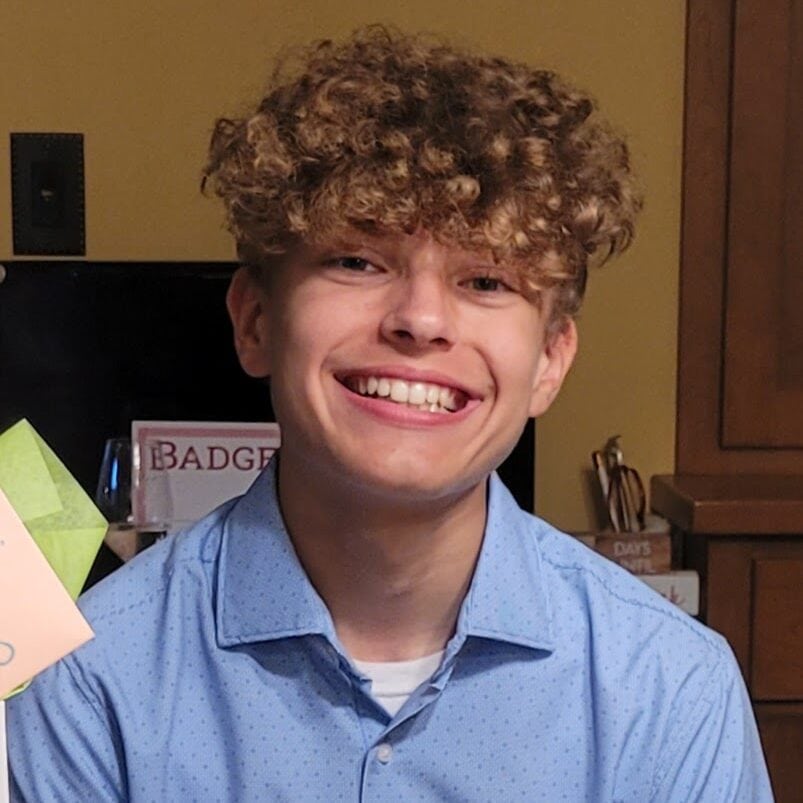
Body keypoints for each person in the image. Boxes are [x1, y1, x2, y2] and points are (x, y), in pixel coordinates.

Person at [7, 26, 772, 801]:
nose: (420, 320)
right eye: (357, 260)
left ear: (549, 360)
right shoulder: (90, 684)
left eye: (485, 280)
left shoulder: (670, 692)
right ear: (255, 321)